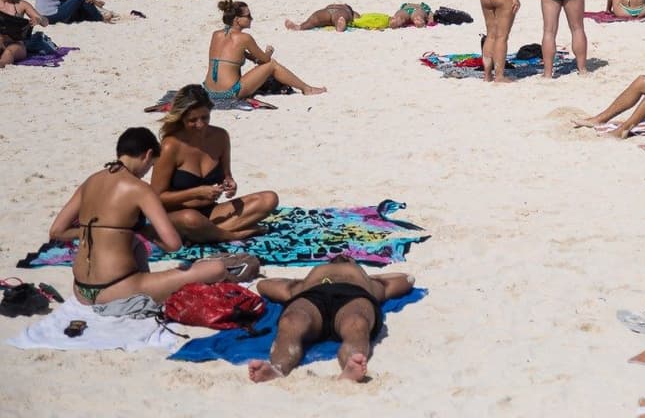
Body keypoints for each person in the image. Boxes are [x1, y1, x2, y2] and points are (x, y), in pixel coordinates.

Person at [47, 127, 232, 305]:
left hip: (81, 290)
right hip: (116, 288)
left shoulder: (90, 182)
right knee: (216, 268)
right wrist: (146, 232)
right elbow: (173, 244)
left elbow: (57, 231)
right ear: (148, 155)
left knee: (135, 242)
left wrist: (97, 233)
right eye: (151, 166)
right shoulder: (140, 189)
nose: (147, 171)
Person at [246, 256, 416, 383]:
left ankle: (351, 365)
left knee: (356, 323)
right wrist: (301, 283)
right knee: (291, 321)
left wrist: (372, 279)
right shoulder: (310, 279)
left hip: (353, 294)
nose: (342, 255)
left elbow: (407, 279)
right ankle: (277, 369)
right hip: (313, 295)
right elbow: (264, 285)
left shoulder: (368, 281)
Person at [152, 86, 279, 242]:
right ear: (181, 118)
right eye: (192, 120)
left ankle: (208, 234)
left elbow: (227, 176)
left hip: (211, 211)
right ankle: (232, 234)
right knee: (190, 219)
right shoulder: (170, 146)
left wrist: (230, 184)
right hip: (178, 215)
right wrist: (195, 193)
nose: (200, 125)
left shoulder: (220, 137)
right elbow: (157, 198)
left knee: (269, 199)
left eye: (205, 118)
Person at [205, 0, 325, 99]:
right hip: (229, 92)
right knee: (272, 65)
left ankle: (306, 88)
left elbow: (229, 57)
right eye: (248, 16)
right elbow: (265, 60)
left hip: (209, 91)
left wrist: (250, 57)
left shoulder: (216, 34)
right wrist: (269, 51)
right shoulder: (244, 38)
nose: (251, 18)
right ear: (237, 19)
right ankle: (306, 88)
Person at [0, 0, 46, 68]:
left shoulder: (21, 5)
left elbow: (45, 22)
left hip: (16, 44)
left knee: (9, 52)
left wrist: (38, 19)